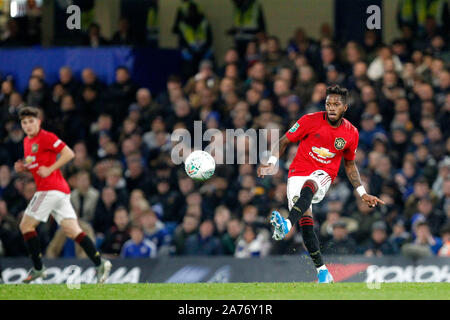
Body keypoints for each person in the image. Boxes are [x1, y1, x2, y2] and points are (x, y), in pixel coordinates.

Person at [257, 84, 385, 283]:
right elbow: (283, 141)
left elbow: (350, 165)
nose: (331, 107)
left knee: (311, 183)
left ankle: (286, 224)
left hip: (323, 174)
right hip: (297, 173)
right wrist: (271, 163)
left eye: (336, 104)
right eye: (328, 103)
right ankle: (323, 271)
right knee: (306, 224)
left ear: (345, 108)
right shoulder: (309, 120)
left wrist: (362, 193)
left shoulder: (351, 133)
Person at [14, 106, 112, 283]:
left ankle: (38, 268)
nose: (28, 125)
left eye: (31, 121)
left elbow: (69, 154)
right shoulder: (27, 142)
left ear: (38, 122)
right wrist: (25, 169)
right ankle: (100, 263)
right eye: (24, 122)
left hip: (50, 189)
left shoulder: (46, 137)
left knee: (25, 226)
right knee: (73, 231)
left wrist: (50, 169)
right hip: (60, 191)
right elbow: (38, 167)